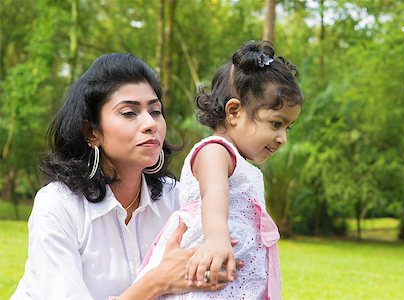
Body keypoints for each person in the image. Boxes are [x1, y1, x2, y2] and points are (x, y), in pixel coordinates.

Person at [11, 53, 237, 300]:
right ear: (91, 132)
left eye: (155, 111)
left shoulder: (176, 198)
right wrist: (156, 282)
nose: (150, 123)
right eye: (129, 112)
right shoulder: (58, 205)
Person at [135, 40, 304, 299]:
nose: (282, 138)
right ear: (234, 111)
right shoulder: (214, 151)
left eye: (287, 128)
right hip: (208, 270)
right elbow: (214, 197)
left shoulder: (238, 162)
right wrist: (216, 238)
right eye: (275, 123)